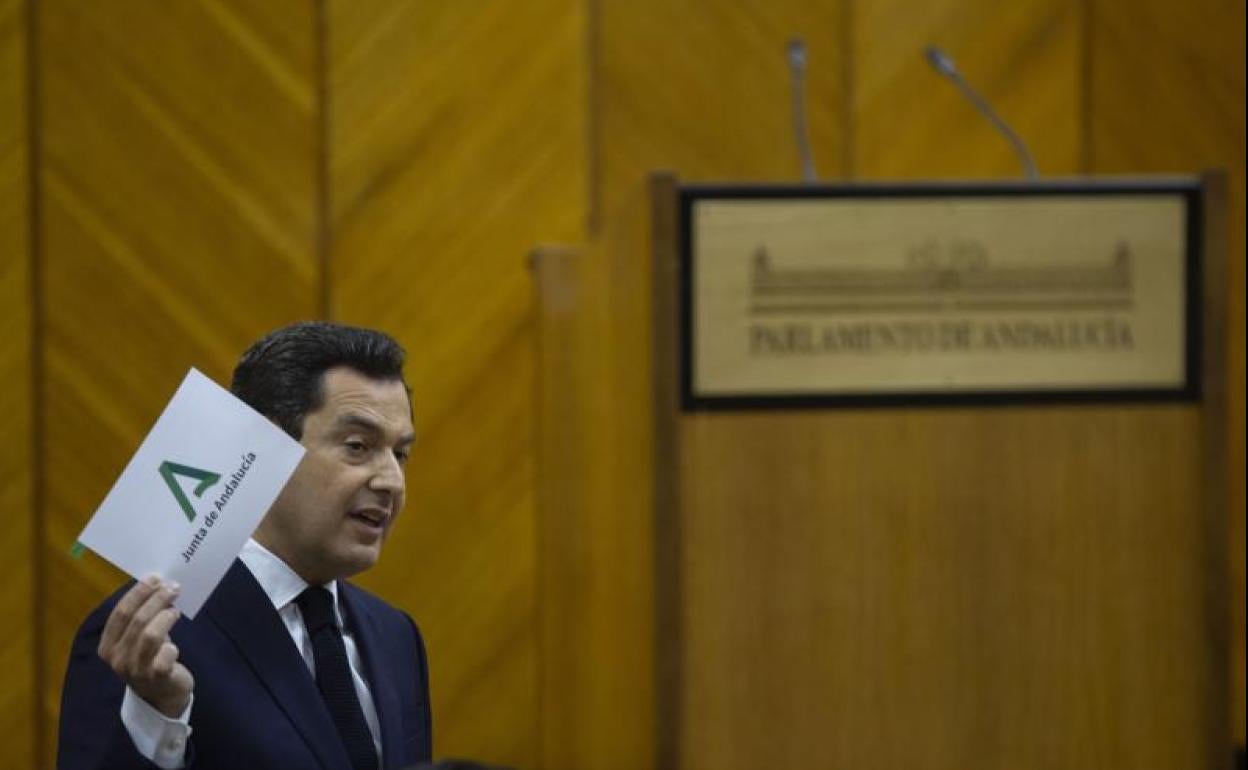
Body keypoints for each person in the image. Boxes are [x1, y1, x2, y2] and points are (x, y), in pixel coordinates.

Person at [57, 321, 432, 770]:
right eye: (358, 446)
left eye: (401, 454)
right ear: (267, 446)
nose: (391, 480)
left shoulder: (396, 636)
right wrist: (155, 719)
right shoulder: (150, 636)